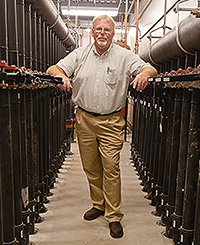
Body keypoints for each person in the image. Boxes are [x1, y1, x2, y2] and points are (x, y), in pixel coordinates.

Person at [46, 14, 157, 239]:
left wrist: (144, 75)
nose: (102, 33)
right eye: (98, 29)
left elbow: (150, 69)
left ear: (113, 33)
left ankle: (114, 215)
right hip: (84, 119)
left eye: (106, 30)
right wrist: (61, 76)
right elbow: (53, 69)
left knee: (111, 166)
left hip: (111, 121)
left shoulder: (125, 56)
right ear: (93, 32)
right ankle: (99, 204)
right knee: (91, 167)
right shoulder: (80, 54)